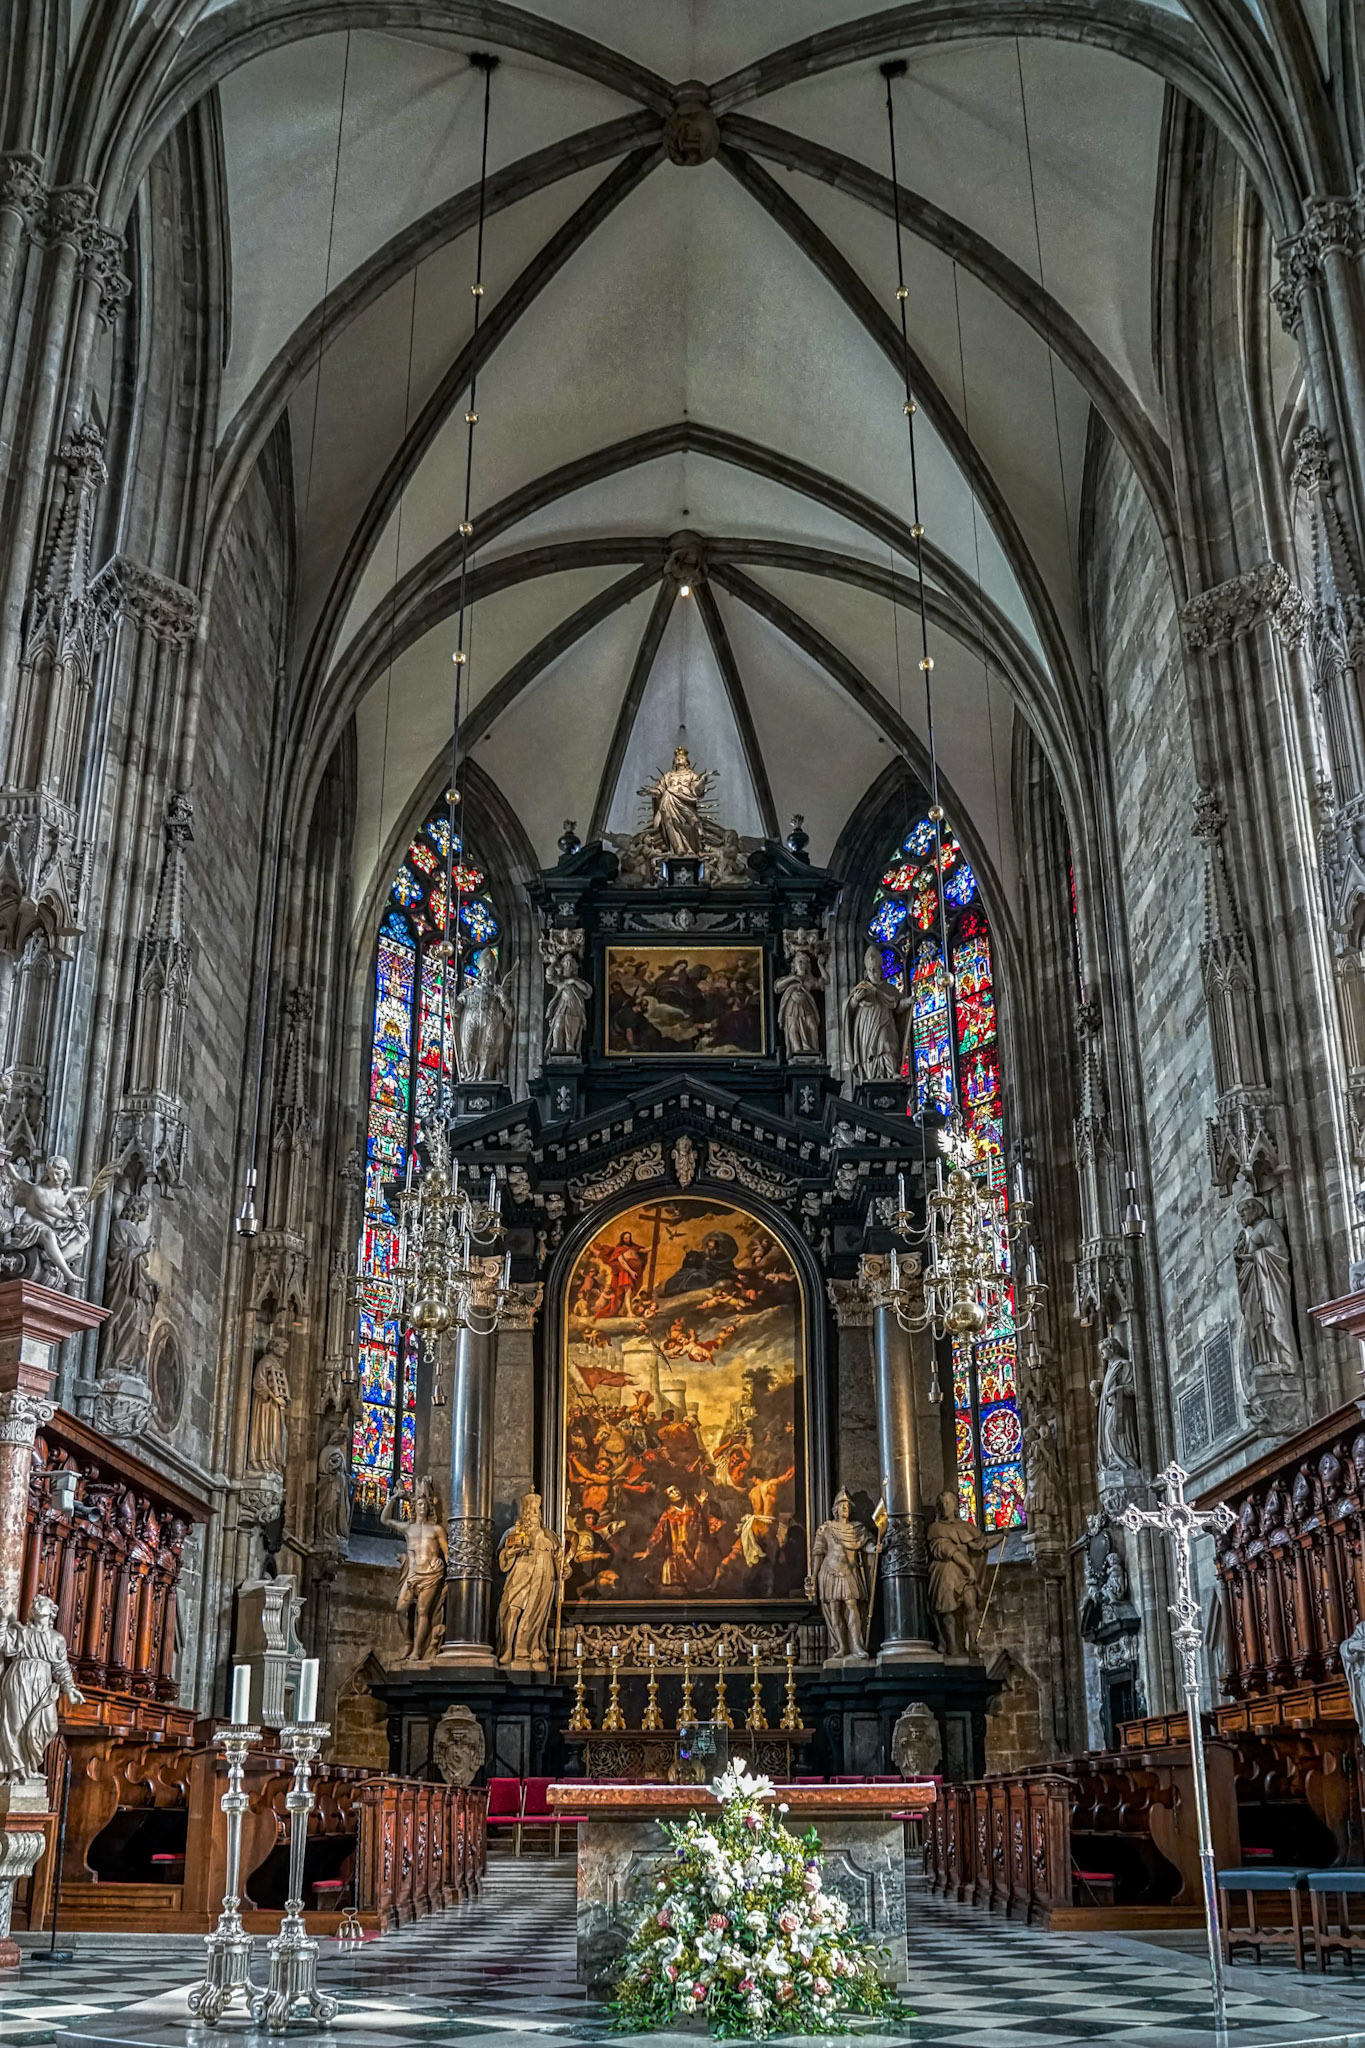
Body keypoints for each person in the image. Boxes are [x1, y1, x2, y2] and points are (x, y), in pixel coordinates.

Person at [0, 1596, 83, 1781]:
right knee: (15, 1725)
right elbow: (3, 1645)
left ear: (52, 1610)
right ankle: (16, 1772)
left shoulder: (57, 1638)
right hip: (20, 1679)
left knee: (48, 1727)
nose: (36, 1605)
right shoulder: (20, 1632)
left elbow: (61, 1666)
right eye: (34, 1603)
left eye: (41, 1602)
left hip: (43, 1683)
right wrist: (3, 1619)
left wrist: (70, 1688)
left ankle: (30, 1766)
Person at [496, 1491, 565, 1670]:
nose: (534, 1514)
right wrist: (510, 1553)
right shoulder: (513, 1532)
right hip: (520, 1576)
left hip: (543, 1579)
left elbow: (560, 1561)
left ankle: (524, 1650)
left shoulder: (550, 1536)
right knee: (511, 1610)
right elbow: (502, 1558)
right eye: (531, 1510)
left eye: (537, 1510)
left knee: (534, 1614)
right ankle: (507, 1649)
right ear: (524, 1512)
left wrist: (564, 1571)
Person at [806, 1489, 877, 1660]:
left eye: (847, 1505)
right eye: (841, 1505)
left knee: (852, 1605)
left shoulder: (856, 1528)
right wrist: (813, 1576)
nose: (844, 1508)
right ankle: (842, 1646)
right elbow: (818, 1553)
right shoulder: (826, 1528)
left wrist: (874, 1549)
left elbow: (866, 1544)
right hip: (829, 1571)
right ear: (835, 1509)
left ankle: (856, 1645)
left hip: (849, 1570)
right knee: (835, 1608)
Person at [926, 1489, 996, 1657]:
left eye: (948, 1502)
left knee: (971, 1603)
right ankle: (952, 1647)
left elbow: (981, 1545)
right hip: (945, 1572)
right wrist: (969, 1568)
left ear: (955, 1505)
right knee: (948, 1610)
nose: (945, 1506)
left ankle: (972, 1643)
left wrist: (1002, 1537)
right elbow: (946, 1550)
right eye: (942, 1504)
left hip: (963, 1574)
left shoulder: (965, 1527)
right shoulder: (935, 1529)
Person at [383, 1478, 447, 1661]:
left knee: (423, 1611)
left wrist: (451, 1576)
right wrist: (395, 1497)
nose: (422, 1508)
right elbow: (385, 1519)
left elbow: (447, 1553)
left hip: (432, 1573)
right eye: (419, 1504)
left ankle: (417, 1651)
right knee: (400, 1609)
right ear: (414, 1507)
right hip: (412, 1574)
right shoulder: (408, 1528)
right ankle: (407, 1643)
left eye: (425, 1505)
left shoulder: (436, 1530)